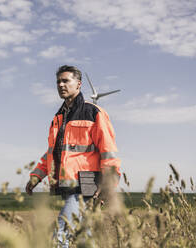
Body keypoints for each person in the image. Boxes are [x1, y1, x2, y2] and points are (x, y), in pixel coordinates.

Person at [25, 65, 121, 247]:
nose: (61, 84)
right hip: (68, 187)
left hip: (86, 187)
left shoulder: (94, 112)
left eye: (65, 80)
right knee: (84, 240)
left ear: (78, 84)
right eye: (58, 82)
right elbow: (52, 153)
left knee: (61, 235)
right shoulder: (58, 118)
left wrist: (108, 185)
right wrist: (36, 176)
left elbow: (108, 152)